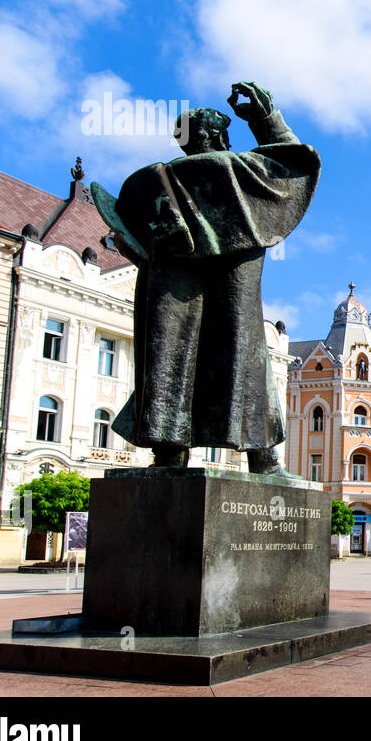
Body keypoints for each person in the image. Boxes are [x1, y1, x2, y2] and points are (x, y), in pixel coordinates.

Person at [92, 82, 319, 474]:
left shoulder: (146, 183)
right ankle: (261, 460)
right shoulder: (239, 171)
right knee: (243, 359)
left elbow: (129, 238)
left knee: (170, 358)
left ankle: (168, 454)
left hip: (169, 295)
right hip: (234, 291)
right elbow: (294, 166)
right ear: (219, 135)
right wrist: (267, 120)